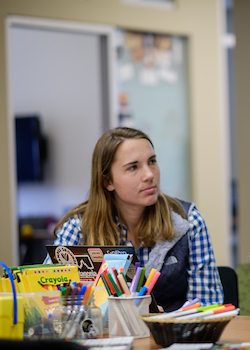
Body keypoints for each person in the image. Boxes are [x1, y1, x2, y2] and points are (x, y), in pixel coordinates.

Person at [49, 127, 224, 311]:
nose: (149, 175)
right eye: (133, 167)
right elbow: (49, 298)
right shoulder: (79, 226)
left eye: (152, 161)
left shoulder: (188, 221)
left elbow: (207, 308)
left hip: (172, 338)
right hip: (102, 337)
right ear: (108, 182)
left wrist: (165, 323)